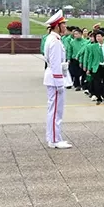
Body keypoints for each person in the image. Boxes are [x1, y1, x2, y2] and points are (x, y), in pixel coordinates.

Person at [43, 11, 72, 149]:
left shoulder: (54, 39)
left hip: (53, 78)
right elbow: (55, 64)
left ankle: (54, 137)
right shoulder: (54, 41)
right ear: (57, 26)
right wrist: (60, 83)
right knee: (55, 111)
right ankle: (54, 139)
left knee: (54, 110)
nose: (65, 26)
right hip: (55, 79)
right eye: (63, 24)